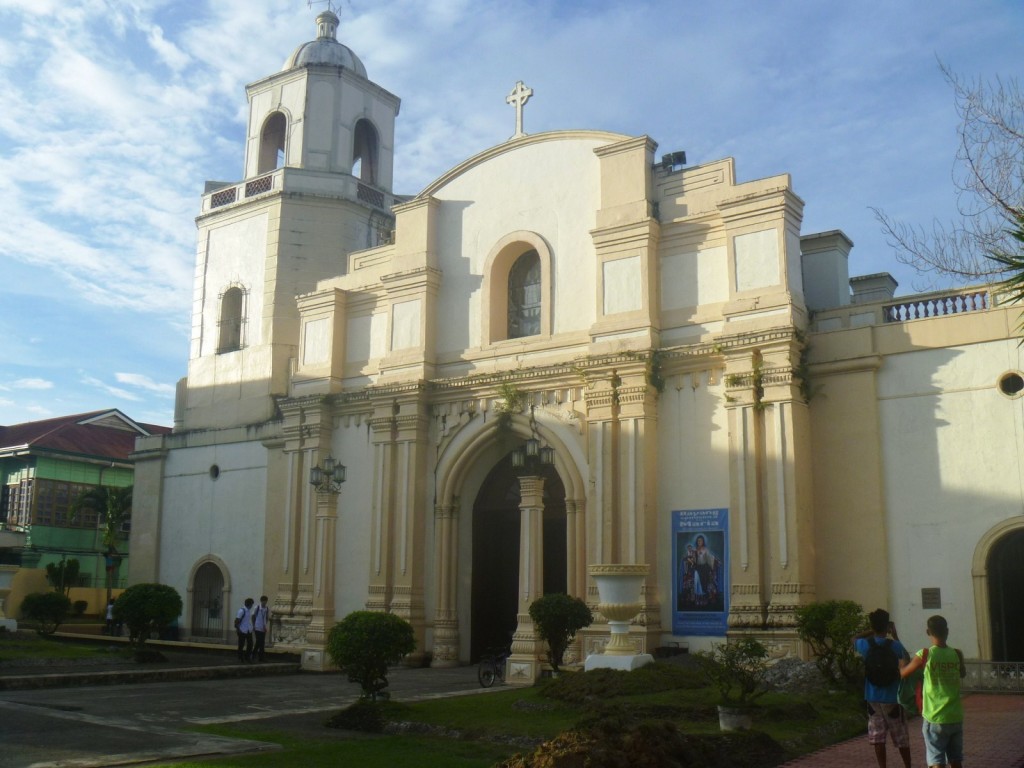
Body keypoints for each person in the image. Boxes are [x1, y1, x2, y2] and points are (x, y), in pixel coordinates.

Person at [900, 615, 966, 768]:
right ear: (947, 631)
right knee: (956, 760)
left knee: (936, 760)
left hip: (934, 717)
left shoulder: (924, 654)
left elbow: (904, 673)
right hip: (955, 716)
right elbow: (962, 673)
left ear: (928, 632)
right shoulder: (957, 653)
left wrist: (901, 664)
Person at [853, 608, 912, 768]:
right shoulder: (894, 645)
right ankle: (908, 766)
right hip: (892, 697)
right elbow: (906, 658)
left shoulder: (865, 644)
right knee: (901, 737)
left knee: (878, 738)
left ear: (872, 626)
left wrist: (871, 630)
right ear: (887, 626)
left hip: (872, 698)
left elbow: (854, 639)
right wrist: (895, 635)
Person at [234, 597, 254, 662]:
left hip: (248, 630)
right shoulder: (241, 611)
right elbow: (237, 621)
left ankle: (247, 657)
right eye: (251, 604)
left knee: (250, 644)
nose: (252, 606)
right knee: (241, 645)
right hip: (242, 630)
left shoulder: (248, 611)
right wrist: (238, 629)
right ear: (249, 604)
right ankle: (240, 657)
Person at [252, 595, 270, 662]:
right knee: (259, 641)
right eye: (264, 601)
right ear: (261, 601)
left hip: (263, 628)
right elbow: (253, 616)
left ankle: (260, 657)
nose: (265, 603)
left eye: (266, 601)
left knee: (261, 642)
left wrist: (265, 625)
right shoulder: (257, 607)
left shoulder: (267, 608)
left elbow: (267, 617)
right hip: (257, 627)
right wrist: (253, 625)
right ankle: (255, 654)